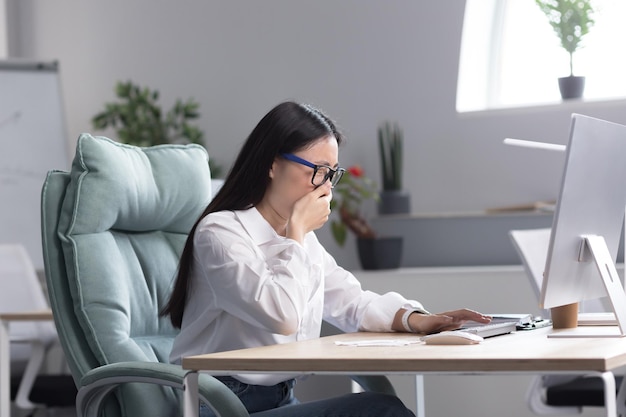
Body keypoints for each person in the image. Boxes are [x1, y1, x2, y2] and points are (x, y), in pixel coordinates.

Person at [161, 101, 491, 417]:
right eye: (317, 170)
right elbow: (282, 316)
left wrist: (416, 319)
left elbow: (351, 301)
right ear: (273, 164)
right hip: (217, 405)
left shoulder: (301, 240)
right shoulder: (220, 232)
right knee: (379, 410)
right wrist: (298, 230)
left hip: (278, 399)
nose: (325, 187)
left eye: (332, 173)